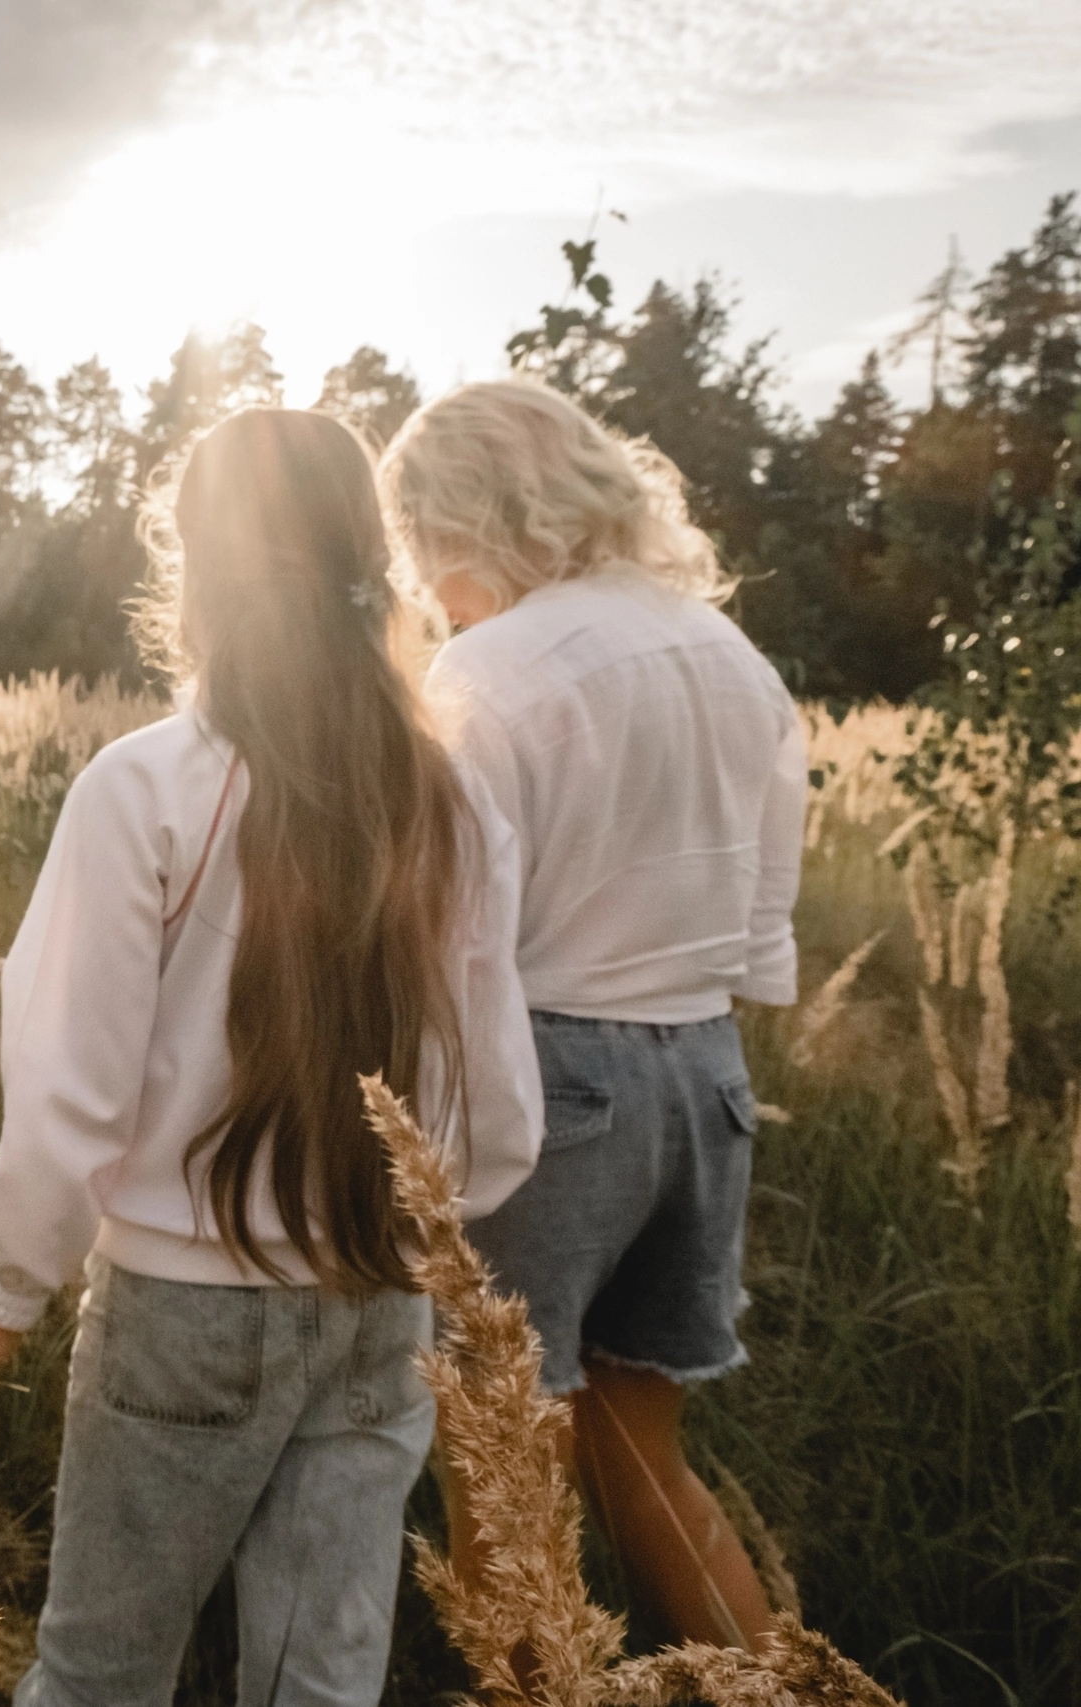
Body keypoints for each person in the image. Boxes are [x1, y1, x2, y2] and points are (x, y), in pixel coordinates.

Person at [0, 409, 543, 1707]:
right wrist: (411, 1227)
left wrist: (6, 1296)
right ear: (371, 559)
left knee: (99, 1675)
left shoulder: (142, 788)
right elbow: (499, 1113)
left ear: (196, 571)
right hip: (381, 1296)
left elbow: (67, 1093)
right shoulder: (452, 797)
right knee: (317, 1686)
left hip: (181, 1315)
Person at [377, 378, 806, 1654]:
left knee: (503, 1486)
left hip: (553, 1080)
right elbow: (761, 926)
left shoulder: (490, 669)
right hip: (708, 1079)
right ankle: (770, 1689)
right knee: (640, 1462)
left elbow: (448, 934)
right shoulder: (731, 655)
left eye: (420, 553)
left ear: (459, 522)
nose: (426, 591)